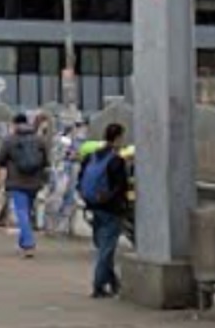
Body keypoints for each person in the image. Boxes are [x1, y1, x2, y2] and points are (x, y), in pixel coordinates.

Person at [78, 124, 130, 299]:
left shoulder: (91, 157)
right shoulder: (117, 160)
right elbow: (121, 186)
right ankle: (98, 286)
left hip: (93, 206)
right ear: (118, 138)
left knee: (103, 246)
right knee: (106, 250)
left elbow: (80, 179)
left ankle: (114, 284)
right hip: (111, 209)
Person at [0, 113, 49, 258]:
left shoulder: (9, 140)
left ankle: (28, 243)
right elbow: (46, 161)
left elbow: (0, 159)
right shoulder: (39, 140)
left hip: (16, 181)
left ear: (14, 124)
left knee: (21, 211)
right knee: (27, 211)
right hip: (34, 182)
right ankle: (23, 240)